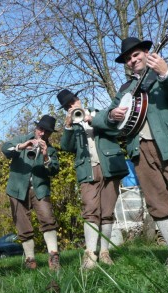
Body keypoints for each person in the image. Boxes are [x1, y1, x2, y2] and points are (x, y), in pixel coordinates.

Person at [103, 36, 168, 269]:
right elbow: (105, 117)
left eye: (136, 54)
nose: (132, 60)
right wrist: (112, 116)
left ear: (146, 53)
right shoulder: (126, 90)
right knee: (157, 202)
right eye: (128, 58)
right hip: (140, 150)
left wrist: (166, 74)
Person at [57, 89, 128, 269]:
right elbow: (66, 147)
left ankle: (105, 252)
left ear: (78, 99)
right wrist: (68, 126)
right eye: (67, 106)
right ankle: (90, 255)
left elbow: (116, 131)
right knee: (90, 209)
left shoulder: (100, 114)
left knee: (107, 211)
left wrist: (92, 120)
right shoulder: (72, 124)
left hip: (110, 166)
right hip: (88, 170)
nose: (72, 106)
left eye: (73, 102)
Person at [1, 115, 61, 270]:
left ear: (50, 134)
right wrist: (22, 146)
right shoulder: (22, 139)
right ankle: (30, 259)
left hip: (40, 188)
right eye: (41, 129)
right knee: (22, 225)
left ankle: (54, 257)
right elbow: (4, 149)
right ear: (36, 128)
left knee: (48, 219)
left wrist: (46, 155)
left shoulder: (51, 149)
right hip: (17, 189)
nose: (42, 134)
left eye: (47, 132)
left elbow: (54, 170)